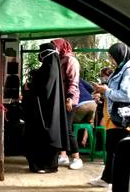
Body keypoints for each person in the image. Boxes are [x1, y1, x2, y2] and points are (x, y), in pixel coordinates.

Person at [90, 43, 130, 188]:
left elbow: (127, 95)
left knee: (117, 150)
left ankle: (117, 182)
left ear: (119, 55)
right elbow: (114, 91)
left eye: (112, 57)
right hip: (114, 116)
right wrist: (102, 92)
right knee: (112, 148)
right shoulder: (121, 69)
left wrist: (105, 90)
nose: (110, 60)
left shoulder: (129, 71)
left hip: (122, 117)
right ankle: (107, 178)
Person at [22, 43, 69, 173]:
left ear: (45, 53)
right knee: (48, 136)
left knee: (43, 137)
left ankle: (46, 166)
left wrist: (29, 88)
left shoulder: (48, 69)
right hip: (50, 110)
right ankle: (47, 165)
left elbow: (43, 90)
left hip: (44, 111)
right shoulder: (52, 67)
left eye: (41, 53)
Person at [51, 38, 83, 170]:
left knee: (68, 130)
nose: (54, 49)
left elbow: (73, 81)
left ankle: (77, 158)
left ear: (61, 46)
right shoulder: (60, 59)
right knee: (61, 129)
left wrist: (69, 98)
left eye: (55, 46)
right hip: (62, 98)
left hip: (69, 100)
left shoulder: (71, 60)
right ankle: (63, 156)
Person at [72, 79, 97, 147]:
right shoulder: (78, 79)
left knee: (68, 123)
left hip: (81, 105)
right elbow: (91, 88)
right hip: (92, 103)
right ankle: (84, 140)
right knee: (90, 123)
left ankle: (72, 146)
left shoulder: (66, 80)